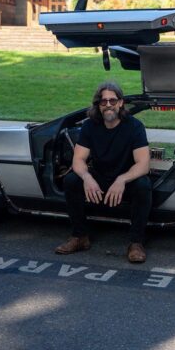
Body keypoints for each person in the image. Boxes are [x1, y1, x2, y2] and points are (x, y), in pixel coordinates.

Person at [55, 81, 152, 263]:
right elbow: (78, 159)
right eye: (103, 101)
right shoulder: (90, 126)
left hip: (125, 179)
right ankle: (80, 236)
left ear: (121, 103)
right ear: (98, 105)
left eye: (112, 100)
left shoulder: (134, 126)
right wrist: (86, 177)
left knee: (143, 184)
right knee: (72, 180)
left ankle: (136, 242)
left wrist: (122, 180)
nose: (108, 105)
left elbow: (143, 164)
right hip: (99, 177)